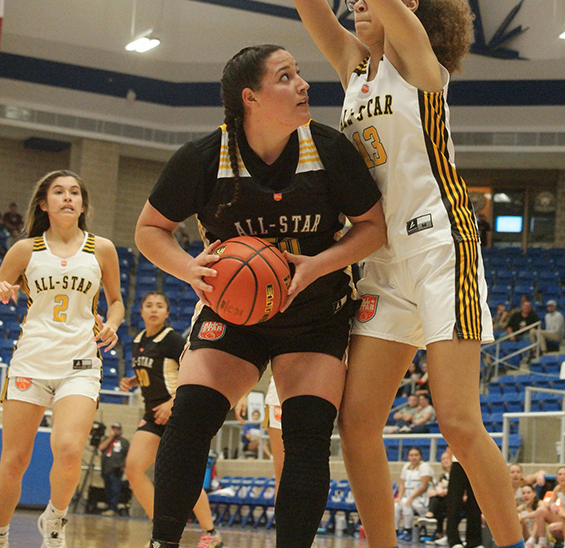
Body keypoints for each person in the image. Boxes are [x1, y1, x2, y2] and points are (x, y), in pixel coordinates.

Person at [274, 0, 524, 548]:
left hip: (442, 246)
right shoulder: (354, 71)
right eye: (351, 0)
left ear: (403, 5)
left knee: (459, 424)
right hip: (382, 264)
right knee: (357, 422)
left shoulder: (418, 61)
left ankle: (516, 544)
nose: (353, 5)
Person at [135, 44, 386, 548]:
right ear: (250, 97)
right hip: (234, 314)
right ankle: (163, 542)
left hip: (315, 311)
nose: (303, 84)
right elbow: (149, 230)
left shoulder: (330, 149)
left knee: (307, 438)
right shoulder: (205, 157)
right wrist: (189, 269)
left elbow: (373, 227)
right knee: (189, 421)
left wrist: (318, 264)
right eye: (286, 76)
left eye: (299, 74)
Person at [0, 169, 125, 548]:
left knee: (69, 447)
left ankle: (56, 520)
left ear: (82, 203)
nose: (67, 197)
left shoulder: (101, 248)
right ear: (44, 203)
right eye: (58, 192)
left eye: (74, 192)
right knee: (14, 459)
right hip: (31, 360)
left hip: (80, 363)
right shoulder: (26, 249)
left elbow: (117, 303)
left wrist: (112, 324)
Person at [119, 291, 223, 548]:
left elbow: (191, 370)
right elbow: (152, 370)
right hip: (152, 414)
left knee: (183, 476)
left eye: (160, 305)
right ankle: (161, 531)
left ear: (167, 313)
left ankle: (211, 533)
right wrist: (134, 380)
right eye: (148, 305)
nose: (154, 309)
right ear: (140, 311)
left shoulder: (173, 340)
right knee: (133, 468)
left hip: (177, 412)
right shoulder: (137, 340)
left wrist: (171, 402)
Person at [436, 454, 482, 548]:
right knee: (454, 502)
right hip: (458, 461)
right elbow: (449, 446)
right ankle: (453, 540)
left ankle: (475, 542)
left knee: (475, 502)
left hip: (477, 461)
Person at [394, 446, 433, 542]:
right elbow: (402, 484)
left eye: (416, 455)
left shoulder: (425, 467)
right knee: (396, 505)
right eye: (411, 455)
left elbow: (423, 486)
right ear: (408, 457)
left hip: (420, 498)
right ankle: (395, 530)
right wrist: (399, 496)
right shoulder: (406, 466)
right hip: (408, 496)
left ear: (420, 456)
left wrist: (411, 498)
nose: (413, 457)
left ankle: (408, 530)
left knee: (406, 504)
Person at [98, 422, 130, 516]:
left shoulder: (124, 442)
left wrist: (125, 467)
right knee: (108, 489)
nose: (115, 430)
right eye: (113, 428)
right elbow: (101, 447)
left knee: (115, 489)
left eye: (117, 429)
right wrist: (110, 437)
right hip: (106, 468)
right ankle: (109, 506)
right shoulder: (107, 440)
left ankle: (113, 508)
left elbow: (128, 454)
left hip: (116, 469)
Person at [421, 451, 452, 542]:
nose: (445, 461)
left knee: (437, 500)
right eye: (442, 459)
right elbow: (439, 487)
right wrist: (437, 491)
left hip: (456, 499)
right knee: (434, 496)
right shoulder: (443, 476)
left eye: (447, 458)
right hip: (444, 499)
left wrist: (443, 491)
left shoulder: (458, 474)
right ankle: (439, 534)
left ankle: (430, 514)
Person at [530, 466, 565, 548]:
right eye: (560, 474)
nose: (563, 476)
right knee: (540, 511)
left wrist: (560, 511)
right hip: (562, 518)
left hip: (563, 517)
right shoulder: (558, 489)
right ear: (557, 478)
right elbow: (549, 503)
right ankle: (542, 542)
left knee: (561, 519)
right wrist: (552, 504)